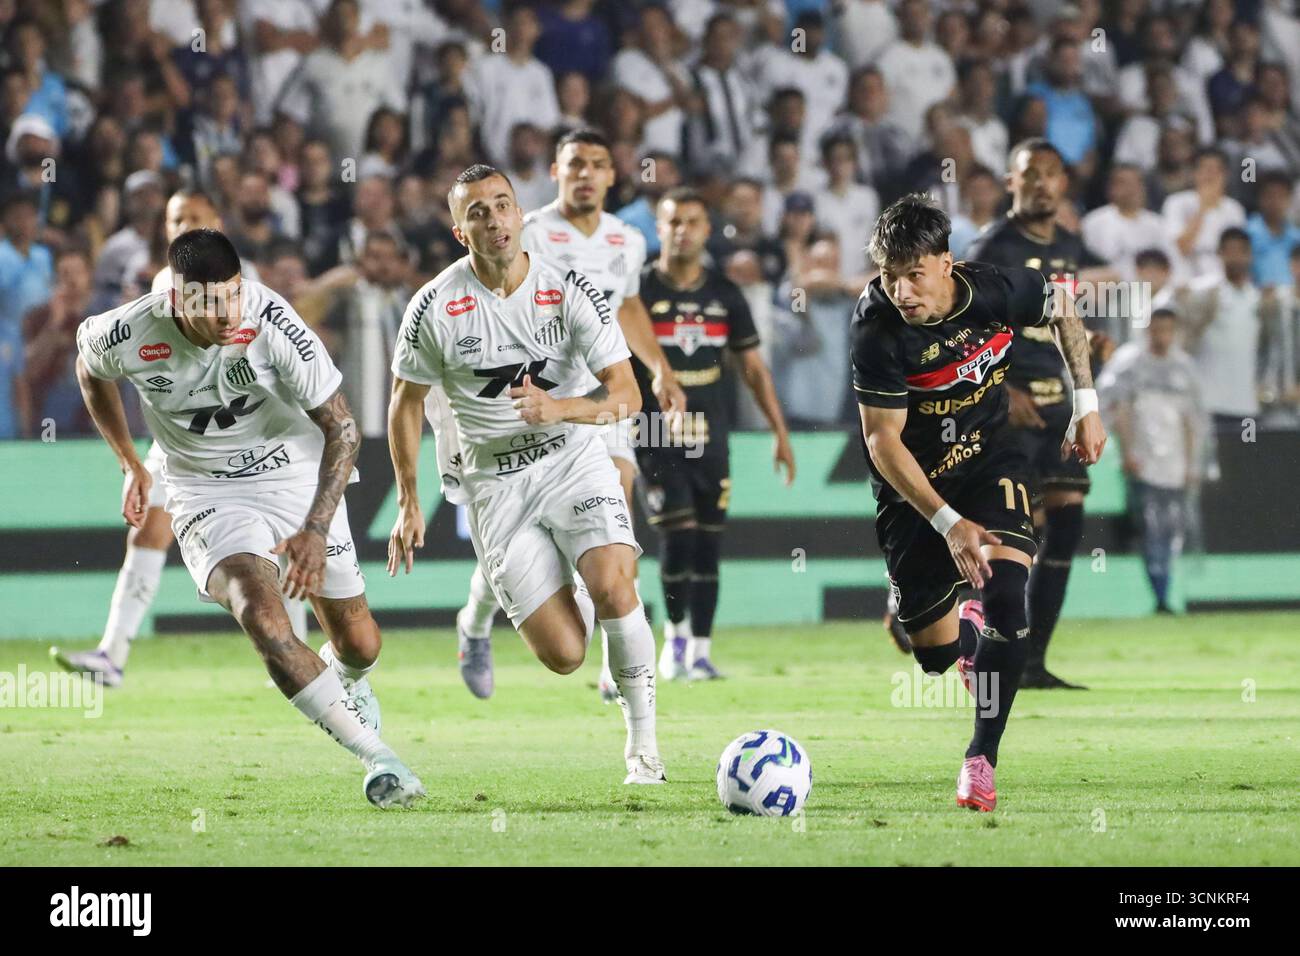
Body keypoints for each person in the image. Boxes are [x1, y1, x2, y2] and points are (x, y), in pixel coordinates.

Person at [71, 228, 424, 809]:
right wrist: (130, 462)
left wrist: (314, 527)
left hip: (293, 472)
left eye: (232, 294)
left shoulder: (272, 323)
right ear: (178, 300)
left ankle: (346, 679)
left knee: (360, 644)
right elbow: (90, 370)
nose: (225, 312)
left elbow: (342, 428)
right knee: (261, 615)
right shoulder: (129, 330)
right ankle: (378, 758)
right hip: (205, 491)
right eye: (209, 301)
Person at [387, 164, 665, 785]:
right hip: (495, 484)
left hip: (572, 458)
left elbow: (626, 395)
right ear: (461, 231)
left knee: (618, 585)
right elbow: (404, 404)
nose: (493, 220)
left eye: (503, 205)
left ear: (521, 215)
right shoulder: (433, 305)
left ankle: (643, 748)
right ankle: (474, 621)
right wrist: (409, 500)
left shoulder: (568, 290)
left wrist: (562, 408)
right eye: (477, 212)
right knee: (566, 654)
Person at [853, 193, 1105, 811]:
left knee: (1007, 598)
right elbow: (883, 442)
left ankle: (980, 761)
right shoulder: (876, 327)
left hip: (992, 460)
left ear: (948, 263)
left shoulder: (993, 290)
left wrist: (1087, 405)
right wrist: (946, 523)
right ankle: (963, 643)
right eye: (890, 276)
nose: (903, 291)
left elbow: (1065, 304)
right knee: (934, 657)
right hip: (916, 489)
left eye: (915, 274)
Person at [451, 127, 685, 702]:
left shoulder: (628, 240)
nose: (586, 173)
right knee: (528, 544)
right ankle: (475, 622)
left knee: (614, 514)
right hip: (530, 402)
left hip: (597, 398)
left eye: (597, 164)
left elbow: (627, 305)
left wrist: (658, 367)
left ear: (612, 175)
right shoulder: (527, 231)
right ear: (555, 173)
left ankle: (616, 660)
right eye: (574, 163)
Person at [53, 188, 301, 687]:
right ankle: (113, 653)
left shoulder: (243, 285)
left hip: (253, 437)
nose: (182, 224)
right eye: (174, 218)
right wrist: (130, 462)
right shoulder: (164, 284)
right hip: (183, 441)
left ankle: (299, 649)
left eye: (193, 217)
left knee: (287, 540)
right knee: (147, 530)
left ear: (216, 221)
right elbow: (105, 361)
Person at [965, 138, 1112, 690]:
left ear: (1064, 184)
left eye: (1051, 174)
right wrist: (999, 391)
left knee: (1068, 520)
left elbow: (1057, 319)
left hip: (1058, 408)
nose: (1041, 184)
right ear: (1010, 183)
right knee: (1014, 533)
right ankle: (983, 647)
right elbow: (966, 329)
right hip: (1011, 411)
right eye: (1030, 175)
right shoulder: (992, 246)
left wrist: (1089, 345)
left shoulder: (1070, 245)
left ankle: (1033, 662)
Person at [641, 187, 795, 680]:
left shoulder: (724, 294)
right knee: (678, 537)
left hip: (712, 435)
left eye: (692, 221)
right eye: (673, 221)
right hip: (655, 433)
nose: (682, 230)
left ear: (708, 230)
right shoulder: (637, 293)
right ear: (660, 229)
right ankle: (674, 640)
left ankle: (702, 651)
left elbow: (753, 369)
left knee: (708, 543)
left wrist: (779, 431)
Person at [1097, 308, 1203, 613]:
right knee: (1150, 529)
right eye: (1157, 330)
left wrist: (1192, 463)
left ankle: (1166, 592)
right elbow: (1120, 410)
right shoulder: (1131, 366)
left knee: (1172, 530)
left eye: (1168, 330)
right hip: (1142, 463)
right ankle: (1159, 595)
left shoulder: (1184, 369)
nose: (1162, 337)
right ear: (1148, 331)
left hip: (1175, 464)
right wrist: (1128, 452)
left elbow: (1192, 421)